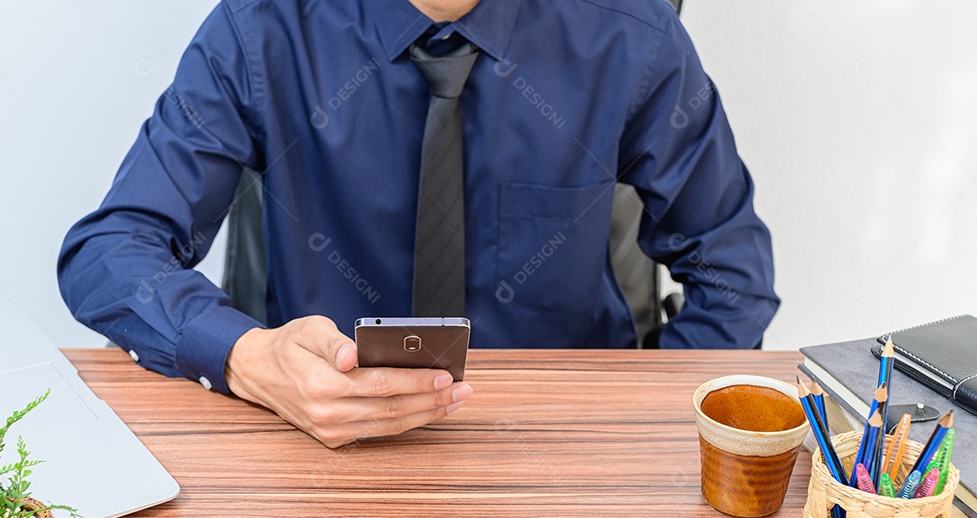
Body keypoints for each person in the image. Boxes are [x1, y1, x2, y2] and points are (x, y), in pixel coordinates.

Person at [58, 0, 780, 448]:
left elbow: (731, 271)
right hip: (321, 445)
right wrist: (247, 357)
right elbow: (109, 251)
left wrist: (642, 438)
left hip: (556, 455)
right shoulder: (263, 30)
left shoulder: (631, 36)